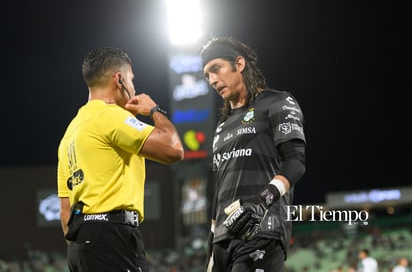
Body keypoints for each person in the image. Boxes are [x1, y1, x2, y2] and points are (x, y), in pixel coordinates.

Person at [57, 47, 184, 272]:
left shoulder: (70, 133)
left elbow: (65, 211)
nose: (133, 86)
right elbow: (174, 149)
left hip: (79, 246)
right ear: (120, 79)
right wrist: (154, 110)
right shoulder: (111, 116)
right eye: (132, 79)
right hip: (112, 238)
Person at [201, 37, 306, 271]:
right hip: (222, 242)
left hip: (262, 231)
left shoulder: (277, 102)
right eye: (207, 75)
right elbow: (219, 189)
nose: (212, 80)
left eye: (216, 69)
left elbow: (296, 161)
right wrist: (211, 249)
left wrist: (262, 201)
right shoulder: (221, 126)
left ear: (239, 64)